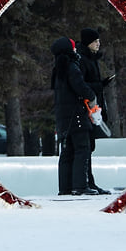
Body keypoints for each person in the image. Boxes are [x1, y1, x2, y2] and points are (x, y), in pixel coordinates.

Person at [50, 36, 99, 196]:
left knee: (67, 151)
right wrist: (91, 97)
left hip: (63, 116)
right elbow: (80, 86)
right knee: (82, 149)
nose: (76, 49)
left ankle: (65, 187)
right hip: (76, 114)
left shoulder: (58, 69)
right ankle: (80, 185)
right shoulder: (72, 67)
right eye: (73, 47)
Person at [76, 28, 113, 194]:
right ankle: (86, 182)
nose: (98, 44)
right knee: (86, 147)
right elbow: (82, 86)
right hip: (87, 108)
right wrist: (101, 85)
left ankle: (90, 181)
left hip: (94, 107)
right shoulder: (83, 60)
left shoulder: (92, 60)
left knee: (90, 147)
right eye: (95, 41)